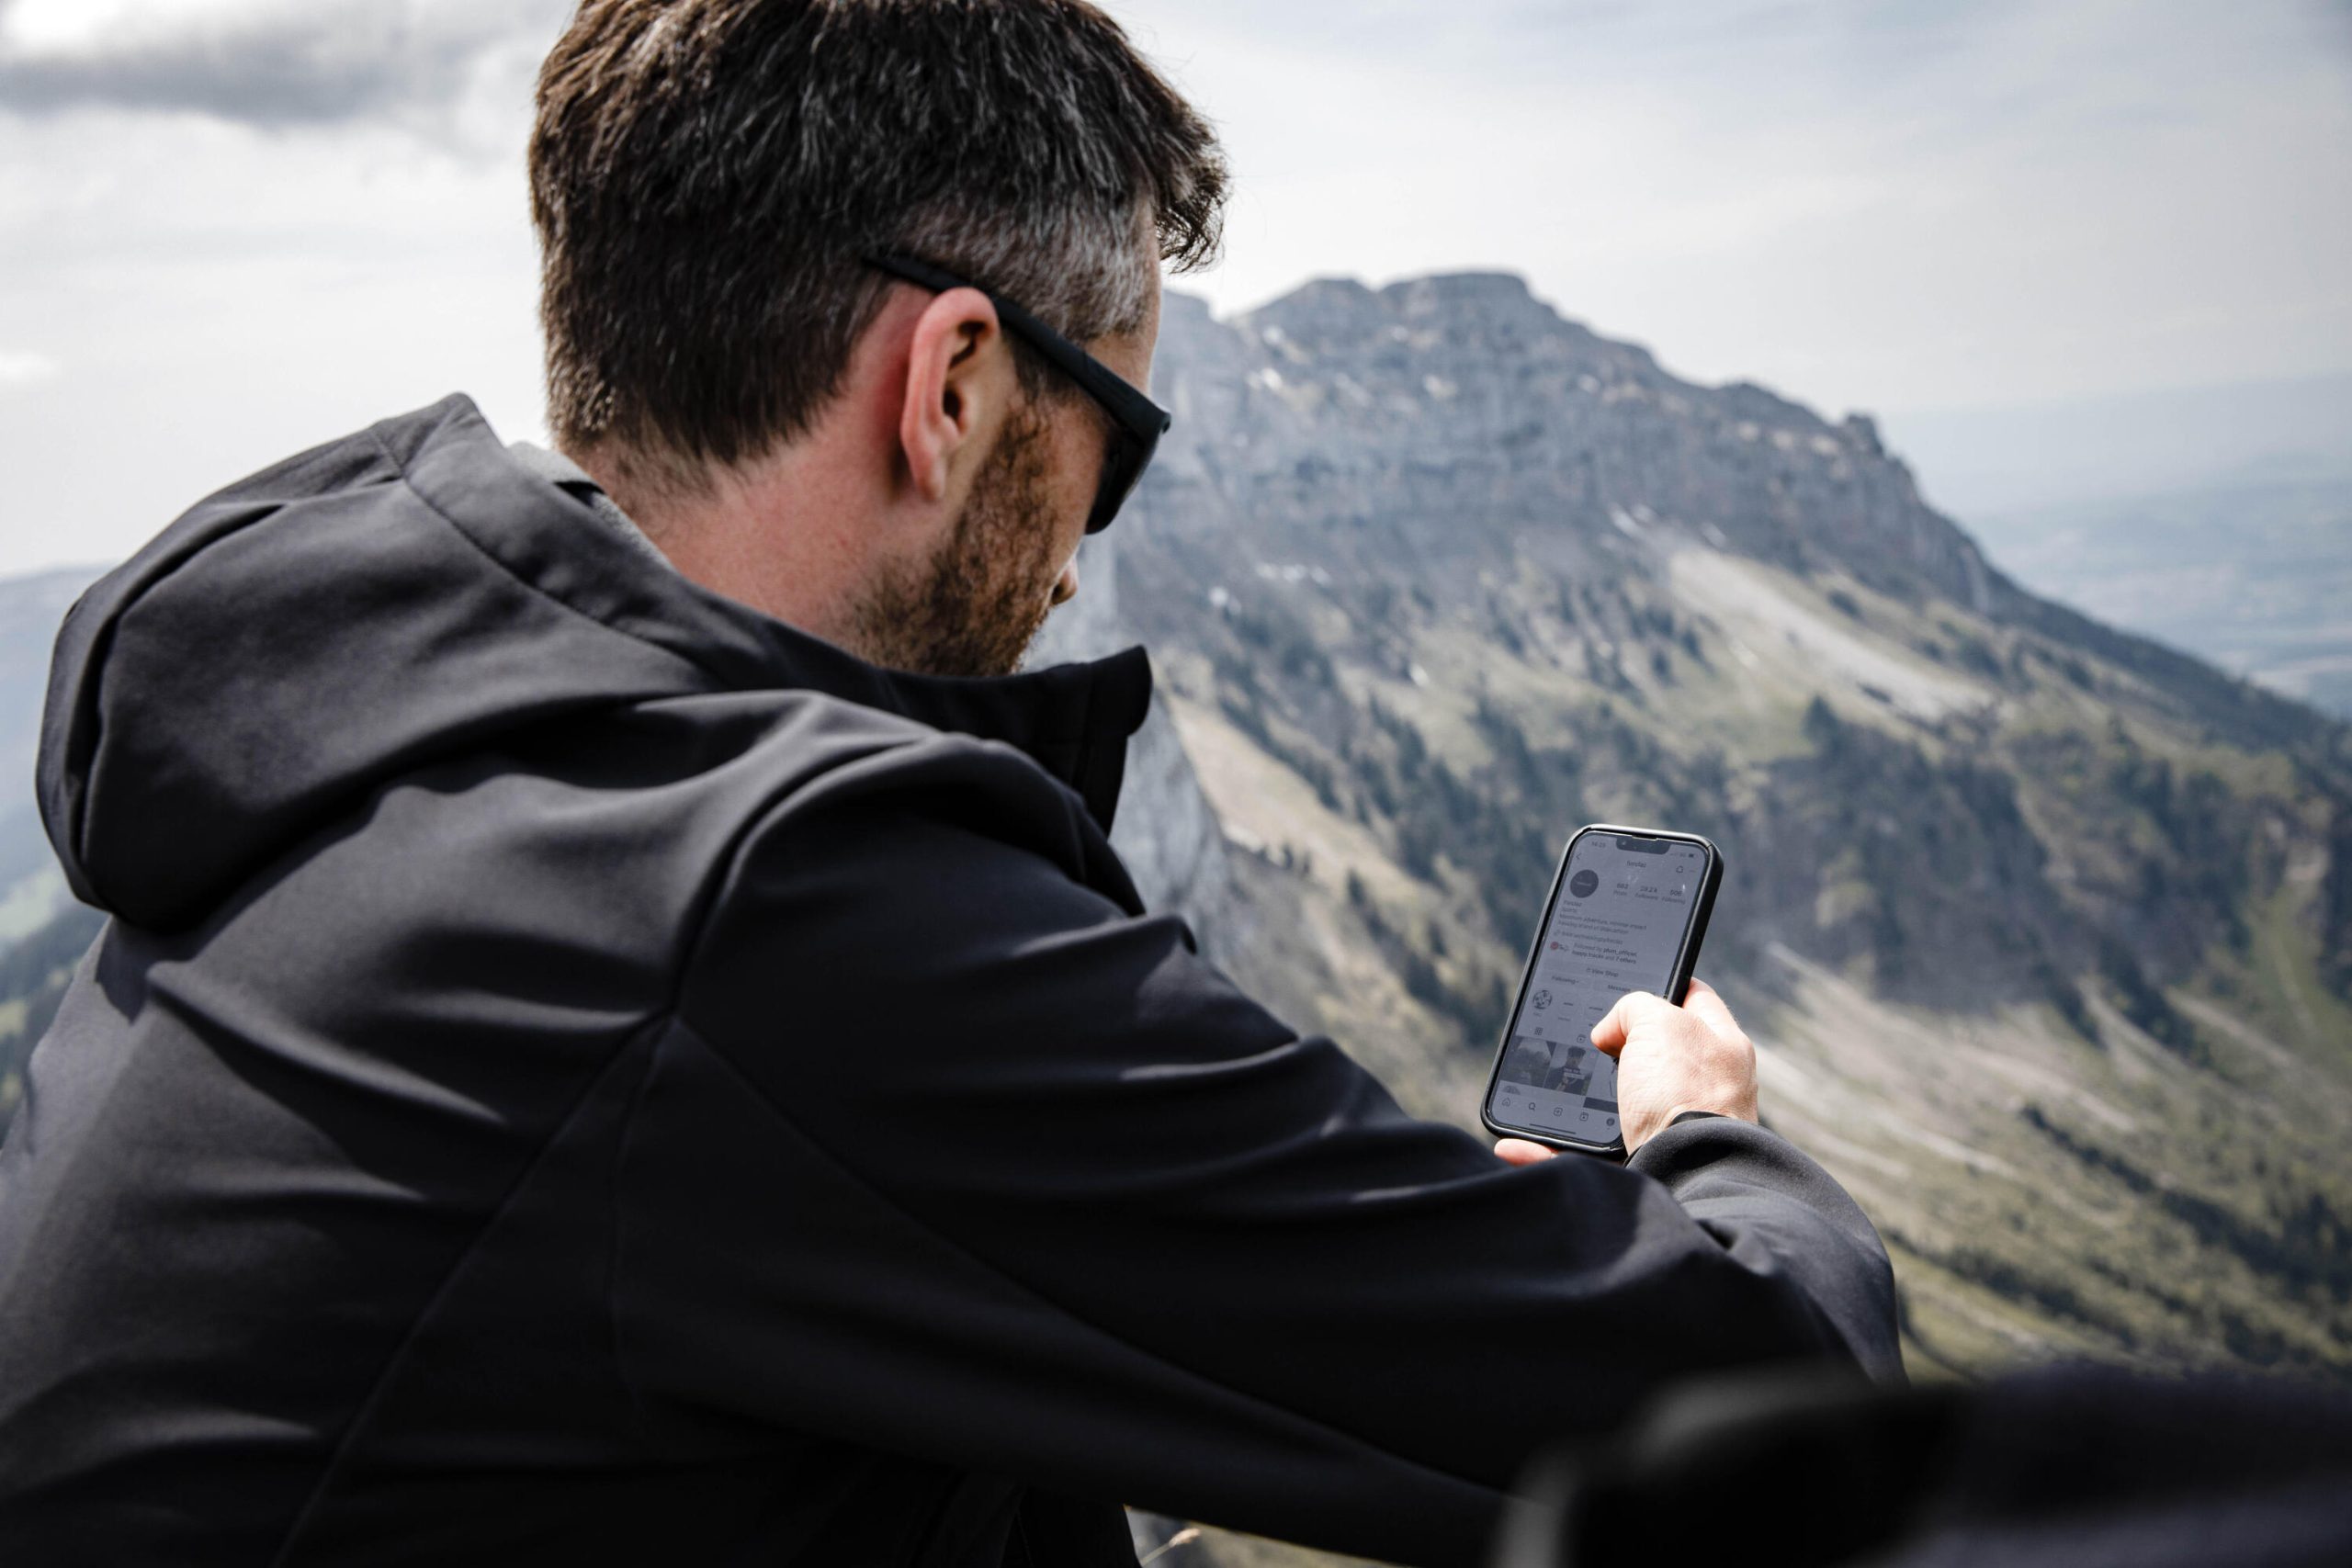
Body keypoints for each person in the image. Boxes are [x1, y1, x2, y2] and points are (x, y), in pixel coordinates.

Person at [0, 4, 1899, 1564]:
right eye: (1114, 448)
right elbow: (1757, 1406)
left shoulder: (368, 733)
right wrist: (1705, 1142)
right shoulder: (765, 905)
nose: (1075, 562)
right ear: (955, 385)